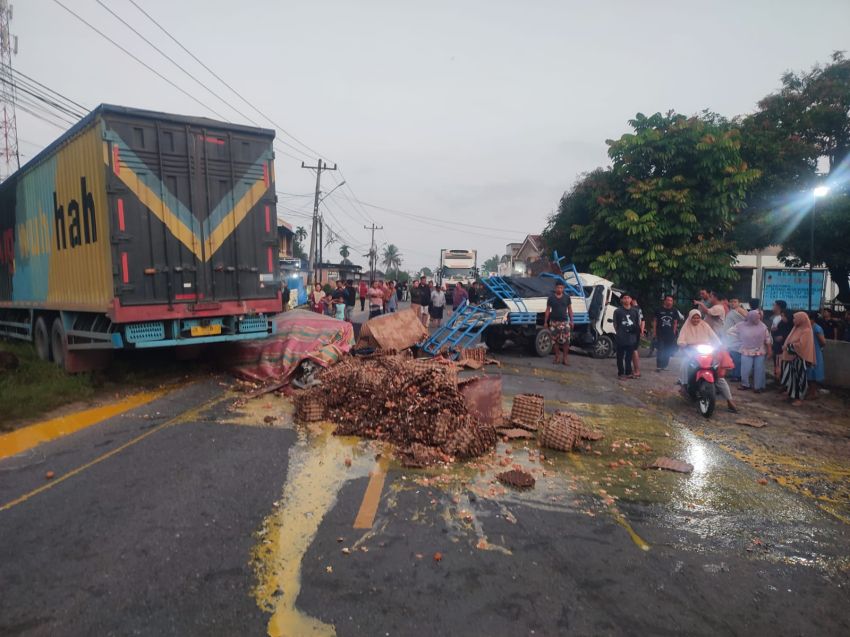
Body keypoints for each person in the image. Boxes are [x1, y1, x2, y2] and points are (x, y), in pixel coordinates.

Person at [677, 309, 738, 412]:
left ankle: (729, 400)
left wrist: (720, 345)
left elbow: (714, 337)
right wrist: (683, 344)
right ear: (690, 318)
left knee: (717, 374)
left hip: (706, 351)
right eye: (694, 318)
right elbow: (681, 340)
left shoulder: (705, 325)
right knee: (685, 363)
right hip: (691, 351)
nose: (696, 320)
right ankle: (684, 385)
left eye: (698, 318)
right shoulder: (686, 326)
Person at [728, 310, 771, 393]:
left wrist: (769, 350)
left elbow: (767, 339)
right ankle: (745, 384)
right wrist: (740, 339)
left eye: (759, 318)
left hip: (760, 350)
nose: (758, 319)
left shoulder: (762, 326)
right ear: (751, 317)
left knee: (759, 369)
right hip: (746, 350)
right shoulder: (741, 325)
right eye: (756, 318)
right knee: (745, 369)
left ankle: (758, 387)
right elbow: (730, 332)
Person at [780, 311, 816, 406]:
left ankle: (799, 398)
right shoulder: (796, 328)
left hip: (799, 359)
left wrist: (787, 347)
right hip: (791, 358)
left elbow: (802, 346)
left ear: (801, 319)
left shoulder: (806, 330)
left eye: (795, 318)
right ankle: (791, 394)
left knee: (799, 379)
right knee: (791, 379)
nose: (793, 320)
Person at [544, 280, 574, 366]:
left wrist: (572, 321)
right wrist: (545, 322)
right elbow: (547, 310)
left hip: (564, 322)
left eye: (561, 288)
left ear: (563, 288)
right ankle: (557, 357)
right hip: (553, 322)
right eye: (558, 287)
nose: (559, 289)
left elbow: (570, 309)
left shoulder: (567, 298)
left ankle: (565, 358)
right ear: (555, 288)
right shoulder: (551, 298)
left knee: (566, 341)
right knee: (554, 341)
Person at [613, 294, 641, 379]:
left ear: (631, 299)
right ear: (621, 300)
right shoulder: (617, 311)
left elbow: (637, 323)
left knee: (628, 357)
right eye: (624, 298)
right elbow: (615, 324)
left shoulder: (635, 311)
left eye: (628, 298)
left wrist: (636, 333)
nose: (626, 299)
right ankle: (621, 373)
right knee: (620, 357)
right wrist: (619, 333)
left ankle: (628, 372)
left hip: (631, 338)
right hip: (621, 337)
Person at [654, 295, 681, 371]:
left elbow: (675, 322)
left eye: (671, 300)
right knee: (660, 349)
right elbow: (655, 321)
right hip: (660, 333)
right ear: (664, 301)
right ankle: (659, 366)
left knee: (667, 350)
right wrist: (654, 332)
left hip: (670, 334)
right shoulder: (658, 310)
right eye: (668, 300)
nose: (669, 302)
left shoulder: (674, 311)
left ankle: (665, 365)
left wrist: (674, 332)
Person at [723, 299, 746, 381]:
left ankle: (737, 375)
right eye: (731, 301)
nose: (732, 303)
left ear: (739, 303)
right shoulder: (731, 311)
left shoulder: (740, 310)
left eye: (735, 302)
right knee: (733, 357)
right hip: (730, 337)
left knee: (736, 358)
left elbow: (747, 319)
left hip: (736, 338)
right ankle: (734, 374)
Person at [806, 310, 827, 398]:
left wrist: (817, 347)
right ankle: (812, 391)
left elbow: (823, 342)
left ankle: (813, 393)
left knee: (813, 373)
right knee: (809, 373)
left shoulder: (816, 328)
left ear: (813, 319)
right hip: (809, 352)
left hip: (815, 352)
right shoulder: (808, 328)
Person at [771, 302, 791, 378]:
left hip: (785, 347)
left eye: (774, 305)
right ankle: (778, 379)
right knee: (777, 363)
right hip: (777, 345)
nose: (782, 318)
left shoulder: (790, 325)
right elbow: (775, 330)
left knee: (783, 364)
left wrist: (782, 336)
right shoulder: (779, 320)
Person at [630, 298, 645, 377]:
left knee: (633, 350)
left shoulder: (633, 309)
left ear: (632, 300)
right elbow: (643, 320)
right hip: (637, 331)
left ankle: (636, 370)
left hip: (634, 332)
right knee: (633, 350)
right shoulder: (639, 309)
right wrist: (641, 331)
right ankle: (635, 370)